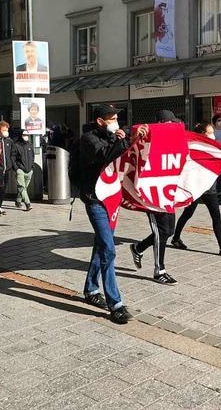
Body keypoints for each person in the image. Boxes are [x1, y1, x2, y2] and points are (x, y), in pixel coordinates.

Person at [79, 103, 148, 324]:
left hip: (111, 198)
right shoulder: (88, 139)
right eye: (111, 118)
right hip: (95, 199)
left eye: (117, 117)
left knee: (102, 245)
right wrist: (122, 140)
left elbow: (126, 156)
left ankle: (91, 290)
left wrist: (135, 137)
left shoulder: (113, 137)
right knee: (108, 249)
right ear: (100, 121)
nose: (115, 121)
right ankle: (115, 303)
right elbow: (105, 155)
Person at [129, 110, 181, 286]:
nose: (173, 126)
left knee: (169, 231)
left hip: (167, 192)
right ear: (162, 123)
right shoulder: (145, 139)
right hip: (151, 194)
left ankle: (138, 248)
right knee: (161, 231)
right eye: (170, 123)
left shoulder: (172, 140)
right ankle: (160, 271)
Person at [170, 123, 221, 257]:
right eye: (210, 132)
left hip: (210, 188)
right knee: (188, 213)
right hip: (196, 187)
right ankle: (176, 238)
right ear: (202, 134)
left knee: (216, 215)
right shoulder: (194, 147)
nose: (213, 135)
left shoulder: (214, 148)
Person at [12, 129, 34, 211]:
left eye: (27, 135)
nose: (26, 137)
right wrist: (16, 168)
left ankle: (18, 200)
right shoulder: (16, 145)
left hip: (29, 170)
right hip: (20, 169)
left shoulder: (30, 145)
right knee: (22, 186)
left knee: (24, 187)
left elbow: (32, 156)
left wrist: (32, 167)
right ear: (20, 135)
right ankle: (28, 204)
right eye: (24, 135)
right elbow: (12, 158)